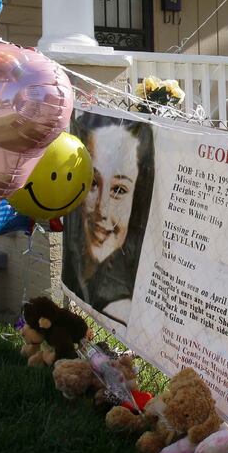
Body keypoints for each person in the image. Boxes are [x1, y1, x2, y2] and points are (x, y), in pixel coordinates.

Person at [63, 115, 155, 326]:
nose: (102, 210)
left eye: (119, 190)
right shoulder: (77, 265)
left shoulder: (122, 307)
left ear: (138, 197)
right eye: (92, 182)